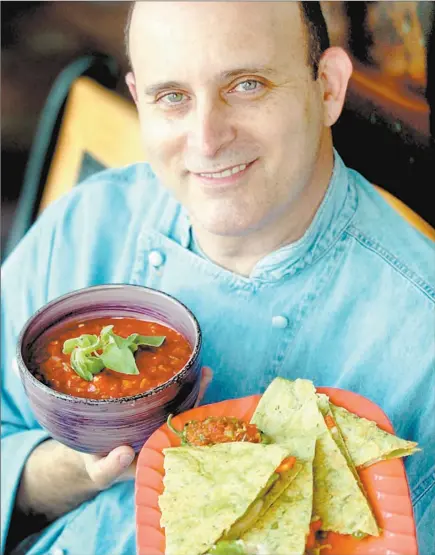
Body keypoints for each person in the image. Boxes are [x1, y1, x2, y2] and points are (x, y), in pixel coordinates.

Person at [1, 2, 434, 554]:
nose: (206, 139)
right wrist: (80, 469)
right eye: (173, 96)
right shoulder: (88, 223)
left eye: (247, 85)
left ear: (327, 87)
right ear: (141, 102)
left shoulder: (422, 338)